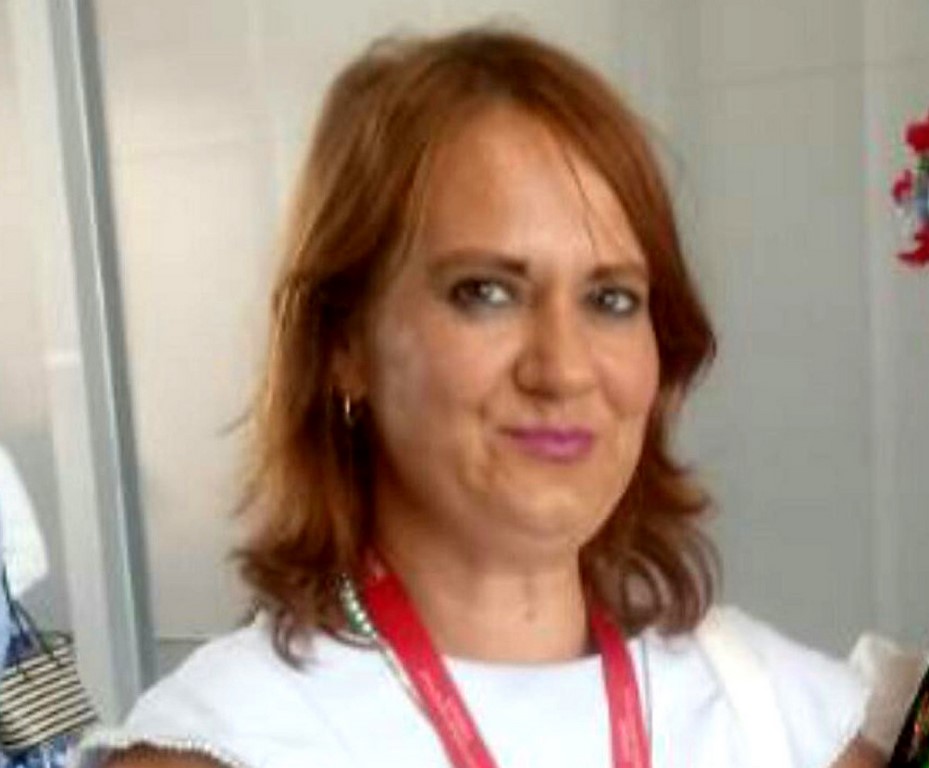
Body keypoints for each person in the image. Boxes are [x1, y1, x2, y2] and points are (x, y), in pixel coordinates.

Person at [79, 28, 883, 768]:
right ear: (344, 344)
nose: (562, 369)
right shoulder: (230, 745)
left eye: (610, 299)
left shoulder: (792, 722)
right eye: (486, 292)